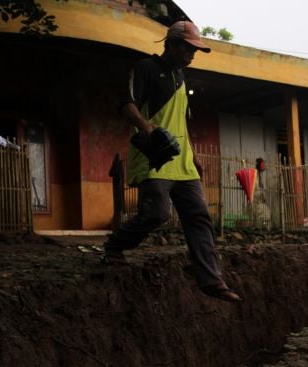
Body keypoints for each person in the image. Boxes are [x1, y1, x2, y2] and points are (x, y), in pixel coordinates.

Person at [102, 20, 242, 303]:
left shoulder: (180, 77)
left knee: (199, 217)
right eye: (188, 49)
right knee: (156, 214)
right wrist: (146, 127)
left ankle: (211, 281)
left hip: (183, 161)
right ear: (172, 44)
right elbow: (126, 104)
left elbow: (180, 123)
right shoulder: (146, 69)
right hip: (155, 156)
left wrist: (194, 156)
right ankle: (115, 245)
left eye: (195, 51)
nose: (192, 55)